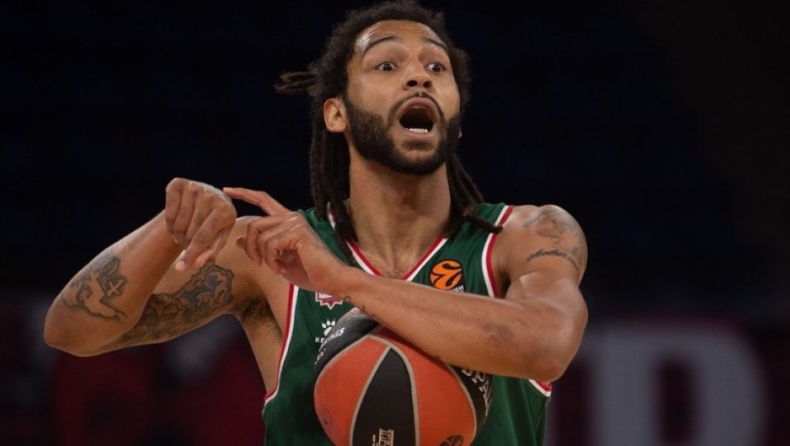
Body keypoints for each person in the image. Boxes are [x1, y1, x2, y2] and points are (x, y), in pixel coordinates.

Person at [43, 1, 588, 444]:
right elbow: (71, 331)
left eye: (436, 68)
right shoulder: (270, 254)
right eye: (387, 64)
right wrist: (170, 227)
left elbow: (549, 343)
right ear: (336, 112)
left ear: (456, 118)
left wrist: (346, 282)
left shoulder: (525, 235)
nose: (418, 77)